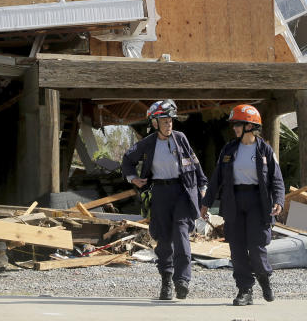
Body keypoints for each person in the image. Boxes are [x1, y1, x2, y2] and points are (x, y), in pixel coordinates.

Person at [121, 99, 207, 301]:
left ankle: (182, 280)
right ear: (155, 123)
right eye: (164, 121)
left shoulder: (181, 138)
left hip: (182, 192)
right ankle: (167, 281)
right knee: (164, 240)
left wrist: (203, 186)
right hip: (159, 194)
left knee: (181, 234)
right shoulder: (148, 143)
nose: (169, 124)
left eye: (170, 120)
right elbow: (127, 159)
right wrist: (132, 178)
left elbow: (195, 164)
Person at [200, 104, 285, 306]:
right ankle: (244, 290)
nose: (234, 128)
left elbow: (277, 180)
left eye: (238, 124)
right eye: (234, 124)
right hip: (233, 201)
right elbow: (216, 179)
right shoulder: (229, 150)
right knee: (237, 249)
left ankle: (263, 277)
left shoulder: (264, 150)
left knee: (256, 248)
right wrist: (205, 204)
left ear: (250, 125)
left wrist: (279, 201)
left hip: (258, 202)